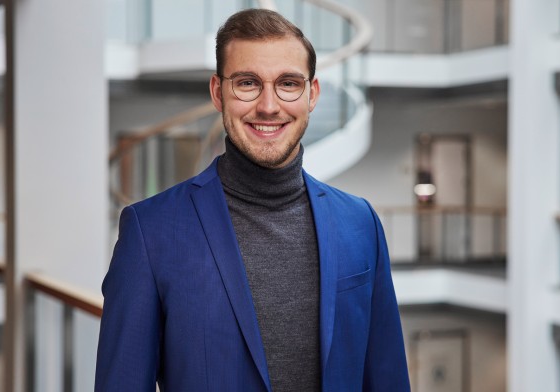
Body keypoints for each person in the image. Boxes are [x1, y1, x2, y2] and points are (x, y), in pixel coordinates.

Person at [95, 8, 409, 392]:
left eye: (288, 84)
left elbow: (389, 380)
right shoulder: (150, 232)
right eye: (247, 83)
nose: (268, 106)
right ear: (217, 92)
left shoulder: (361, 223)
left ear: (312, 95)